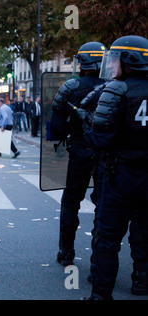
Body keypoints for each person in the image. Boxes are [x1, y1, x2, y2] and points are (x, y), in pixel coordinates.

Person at [78, 35, 148, 300]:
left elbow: (100, 139)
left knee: (107, 238)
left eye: (116, 60)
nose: (112, 66)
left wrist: (87, 126)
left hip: (120, 175)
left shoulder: (118, 90)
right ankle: (141, 282)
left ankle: (101, 294)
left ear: (130, 61)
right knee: (144, 232)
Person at [50, 41, 106, 266]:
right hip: (105, 154)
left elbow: (56, 127)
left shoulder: (71, 87)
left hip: (80, 151)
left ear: (82, 63)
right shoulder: (114, 85)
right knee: (103, 205)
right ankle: (99, 261)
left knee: (71, 201)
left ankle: (66, 252)